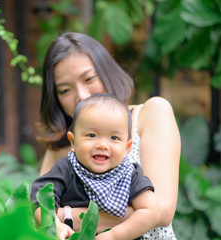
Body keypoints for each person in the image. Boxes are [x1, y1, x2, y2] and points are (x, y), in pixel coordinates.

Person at [36, 32, 180, 239]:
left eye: (89, 78)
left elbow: (161, 211)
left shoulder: (151, 113)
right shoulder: (60, 148)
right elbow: (38, 210)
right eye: (65, 90)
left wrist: (66, 216)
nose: (82, 95)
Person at [31, 93, 160, 240]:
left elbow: (151, 211)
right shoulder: (66, 168)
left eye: (114, 138)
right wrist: (55, 225)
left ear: (127, 147)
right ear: (73, 142)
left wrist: (113, 235)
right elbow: (40, 198)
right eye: (91, 135)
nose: (102, 145)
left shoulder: (130, 174)